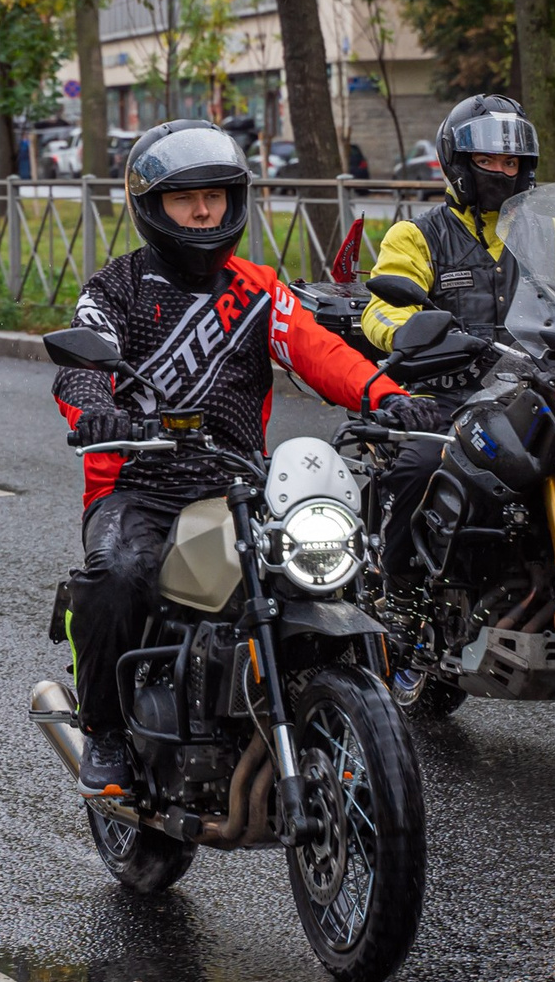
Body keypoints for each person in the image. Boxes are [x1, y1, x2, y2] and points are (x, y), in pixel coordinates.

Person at [51, 119, 448, 799]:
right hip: (139, 485)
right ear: (153, 206)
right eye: (185, 199)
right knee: (120, 572)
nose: (203, 211)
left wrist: (385, 395)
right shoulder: (115, 287)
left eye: (215, 195)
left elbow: (316, 349)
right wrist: (95, 411)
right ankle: (108, 731)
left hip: (240, 484)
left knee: (330, 562)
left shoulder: (257, 288)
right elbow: (80, 366)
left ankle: (334, 700)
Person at [356, 94, 540, 580]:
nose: (501, 171)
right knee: (419, 465)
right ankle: (398, 587)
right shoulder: (416, 236)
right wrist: (410, 335)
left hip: (535, 394)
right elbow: (383, 308)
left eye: (511, 161)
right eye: (487, 160)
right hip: (447, 395)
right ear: (459, 164)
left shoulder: (553, 235)